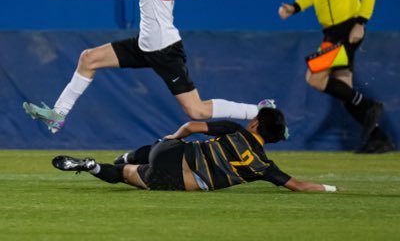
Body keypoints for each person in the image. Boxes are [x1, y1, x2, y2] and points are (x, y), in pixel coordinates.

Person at [23, 0, 269, 133]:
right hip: (146, 44)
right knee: (88, 58)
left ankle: (258, 111)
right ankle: (58, 114)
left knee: (197, 111)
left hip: (164, 49)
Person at [278, 0, 394, 154]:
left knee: (314, 76)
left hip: (347, 28)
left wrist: (361, 23)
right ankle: (379, 139)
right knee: (344, 88)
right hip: (331, 31)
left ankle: (371, 105)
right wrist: (295, 7)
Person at [52, 106, 338, 193]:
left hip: (172, 152)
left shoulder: (234, 130)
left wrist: (173, 136)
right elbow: (298, 185)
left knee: (151, 151)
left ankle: (125, 157)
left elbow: (191, 125)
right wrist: (333, 189)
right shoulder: (263, 166)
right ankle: (93, 167)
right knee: (127, 175)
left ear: (255, 123)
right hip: (183, 179)